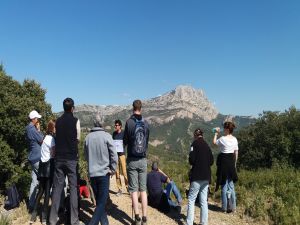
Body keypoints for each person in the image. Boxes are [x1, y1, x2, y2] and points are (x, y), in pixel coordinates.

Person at [49, 98, 81, 225]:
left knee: (57, 188)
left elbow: (56, 138)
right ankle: (74, 220)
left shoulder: (58, 122)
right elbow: (78, 139)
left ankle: (52, 219)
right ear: (72, 108)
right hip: (71, 159)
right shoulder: (76, 121)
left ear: (63, 107)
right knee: (73, 188)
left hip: (59, 159)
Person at [84, 116, 118, 225]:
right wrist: (112, 169)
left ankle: (105, 223)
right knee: (102, 203)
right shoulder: (107, 136)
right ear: (102, 124)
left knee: (99, 201)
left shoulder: (87, 138)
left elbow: (85, 155)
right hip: (104, 173)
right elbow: (114, 155)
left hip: (92, 173)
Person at [124, 99, 150, 225]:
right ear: (141, 108)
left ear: (132, 108)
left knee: (134, 190)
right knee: (143, 190)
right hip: (143, 159)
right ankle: (145, 217)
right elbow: (147, 141)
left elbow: (125, 141)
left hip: (132, 159)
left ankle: (137, 218)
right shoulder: (146, 123)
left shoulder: (129, 122)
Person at [30, 119, 56, 224]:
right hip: (49, 167)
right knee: (46, 193)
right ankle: (44, 218)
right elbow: (54, 154)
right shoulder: (52, 139)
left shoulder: (44, 138)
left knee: (40, 192)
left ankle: (33, 215)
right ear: (53, 128)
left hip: (42, 166)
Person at [186, 128, 214, 225]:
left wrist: (191, 157)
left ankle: (189, 222)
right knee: (203, 201)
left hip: (197, 176)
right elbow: (211, 161)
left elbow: (192, 160)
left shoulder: (194, 144)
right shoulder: (207, 145)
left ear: (195, 135)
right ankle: (203, 222)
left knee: (191, 199)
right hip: (206, 176)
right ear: (202, 135)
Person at [213, 121, 238, 213]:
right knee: (231, 186)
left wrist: (216, 134)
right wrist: (235, 163)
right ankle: (233, 207)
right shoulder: (235, 139)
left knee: (223, 185)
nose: (223, 129)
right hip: (231, 162)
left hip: (224, 163)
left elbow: (214, 143)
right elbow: (236, 152)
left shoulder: (223, 138)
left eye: (224, 128)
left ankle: (224, 208)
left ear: (227, 129)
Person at [26, 110, 44, 211]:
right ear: (33, 119)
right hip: (37, 157)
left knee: (34, 182)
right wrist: (39, 130)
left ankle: (31, 204)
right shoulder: (33, 129)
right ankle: (41, 204)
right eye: (37, 118)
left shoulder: (27, 128)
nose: (38, 120)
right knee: (45, 180)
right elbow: (42, 140)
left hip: (32, 157)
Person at [113, 119, 129, 196]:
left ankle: (127, 187)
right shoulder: (114, 134)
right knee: (117, 172)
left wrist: (122, 146)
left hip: (122, 154)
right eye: (115, 125)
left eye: (117, 125)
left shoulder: (123, 133)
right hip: (116, 155)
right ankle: (119, 189)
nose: (115, 126)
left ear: (120, 126)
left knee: (124, 171)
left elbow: (126, 143)